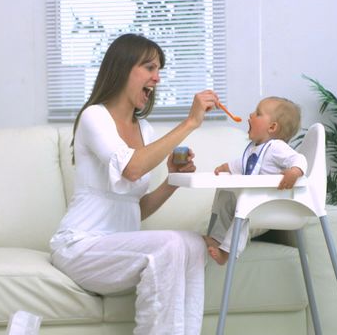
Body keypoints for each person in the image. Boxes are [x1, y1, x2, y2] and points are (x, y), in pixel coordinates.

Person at [49, 33, 220, 335]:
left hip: (117, 250)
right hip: (81, 247)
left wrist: (172, 179)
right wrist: (190, 122)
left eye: (159, 71)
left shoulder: (145, 129)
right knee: (168, 244)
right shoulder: (94, 116)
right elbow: (131, 169)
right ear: (124, 68)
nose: (156, 79)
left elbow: (135, 208)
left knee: (193, 245)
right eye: (150, 68)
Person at [204, 96, 307, 265]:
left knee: (242, 209)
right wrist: (225, 168)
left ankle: (228, 252)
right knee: (225, 196)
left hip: (272, 202)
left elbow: (299, 159)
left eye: (258, 113)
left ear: (272, 127)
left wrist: (294, 172)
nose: (250, 115)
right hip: (255, 199)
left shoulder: (276, 147)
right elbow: (242, 164)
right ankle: (217, 238)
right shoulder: (254, 149)